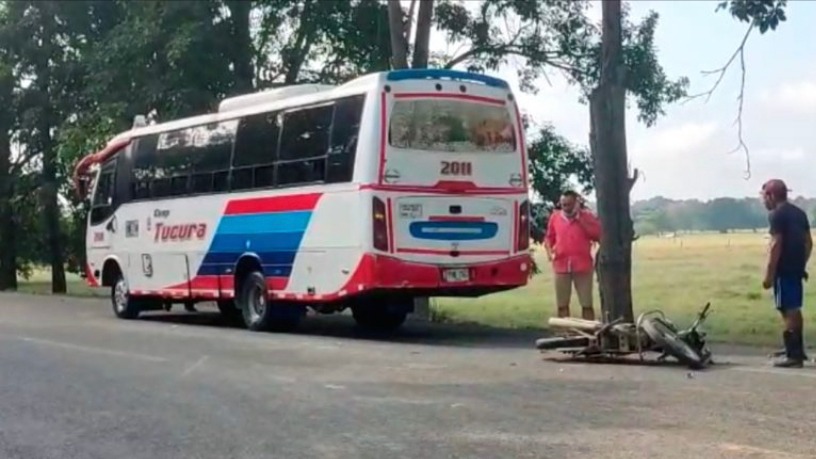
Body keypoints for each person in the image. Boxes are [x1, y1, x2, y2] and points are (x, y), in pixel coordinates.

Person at [761, 179, 812, 368]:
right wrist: (801, 264)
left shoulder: (777, 215)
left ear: (771, 196)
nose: (763, 201)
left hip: (783, 270)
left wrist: (769, 274)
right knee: (793, 308)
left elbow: (776, 245)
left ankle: (794, 356)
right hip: (796, 269)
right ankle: (796, 349)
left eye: (764, 196)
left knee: (788, 309)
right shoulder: (799, 213)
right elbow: (808, 243)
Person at [544, 190, 602, 320]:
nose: (566, 208)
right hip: (561, 265)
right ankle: (565, 334)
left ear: (576, 203)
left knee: (586, 304)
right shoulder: (555, 217)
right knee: (562, 304)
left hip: (583, 266)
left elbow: (597, 235)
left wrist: (579, 219)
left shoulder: (587, 216)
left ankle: (588, 334)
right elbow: (549, 238)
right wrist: (550, 253)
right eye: (563, 204)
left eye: (569, 204)